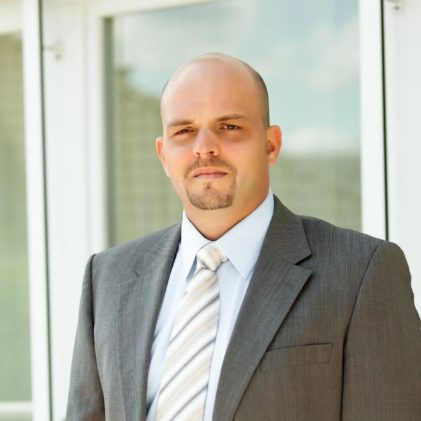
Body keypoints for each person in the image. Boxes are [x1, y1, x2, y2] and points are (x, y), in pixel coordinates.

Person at [66, 53, 421, 420]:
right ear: (163, 155)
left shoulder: (360, 274)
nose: (204, 146)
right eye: (183, 131)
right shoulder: (108, 278)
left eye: (229, 126)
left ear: (271, 145)